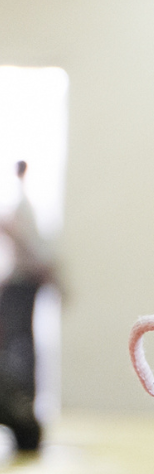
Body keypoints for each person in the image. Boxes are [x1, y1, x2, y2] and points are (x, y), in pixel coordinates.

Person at [0, 161, 55, 452]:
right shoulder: (22, 205)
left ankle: (23, 402)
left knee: (20, 342)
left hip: (23, 280)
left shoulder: (24, 206)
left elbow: (26, 241)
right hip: (21, 279)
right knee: (19, 343)